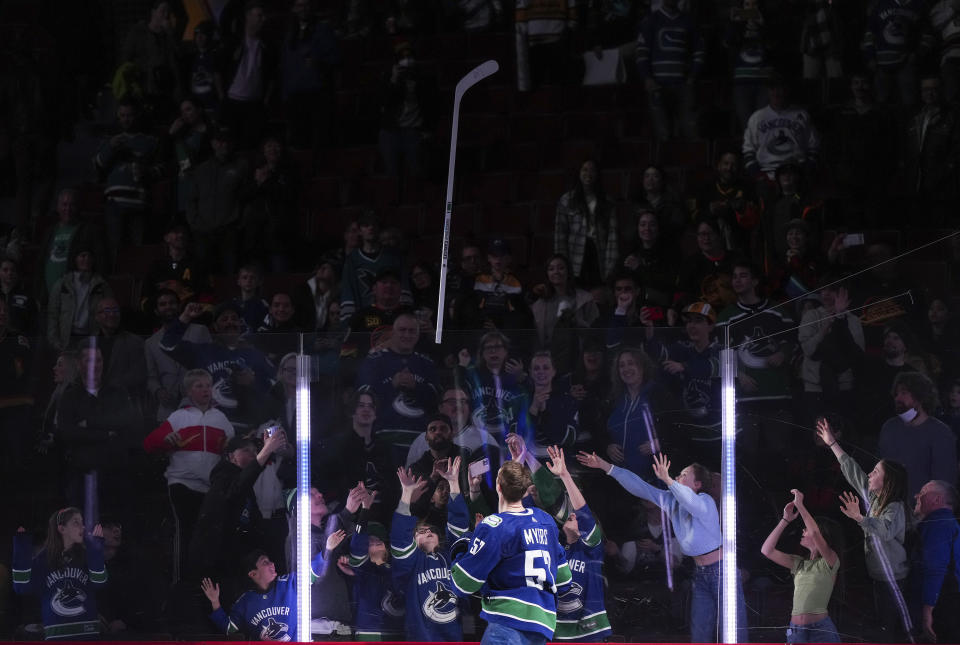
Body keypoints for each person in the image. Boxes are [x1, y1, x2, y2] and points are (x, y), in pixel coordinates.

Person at [577, 451, 746, 642]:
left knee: (733, 632)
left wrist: (668, 480)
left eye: (683, 475)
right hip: (701, 573)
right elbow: (640, 487)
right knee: (700, 633)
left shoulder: (705, 500)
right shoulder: (670, 499)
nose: (676, 476)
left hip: (722, 571)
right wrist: (606, 466)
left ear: (697, 485)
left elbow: (692, 503)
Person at [449, 457, 572, 645]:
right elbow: (564, 581)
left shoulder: (495, 526)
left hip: (507, 623)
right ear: (524, 490)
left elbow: (463, 583)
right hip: (542, 629)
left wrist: (462, 547)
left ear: (498, 487)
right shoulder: (545, 521)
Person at [816, 418, 911, 639]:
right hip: (878, 575)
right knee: (884, 623)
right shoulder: (872, 497)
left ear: (888, 482)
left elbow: (885, 530)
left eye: (876, 472)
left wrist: (859, 517)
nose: (870, 474)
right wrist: (832, 444)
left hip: (894, 578)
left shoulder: (895, 507)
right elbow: (853, 471)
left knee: (899, 626)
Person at [143, 369, 235, 584]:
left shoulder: (221, 419)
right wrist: (167, 439)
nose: (205, 390)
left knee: (204, 538)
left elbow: (232, 449)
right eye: (198, 386)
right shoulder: (179, 417)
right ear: (188, 391)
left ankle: (201, 585)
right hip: (182, 484)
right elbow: (149, 443)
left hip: (209, 489)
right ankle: (181, 585)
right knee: (185, 534)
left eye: (207, 385)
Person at [188, 430, 287, 583]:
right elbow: (237, 489)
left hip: (235, 559)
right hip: (213, 563)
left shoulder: (247, 486)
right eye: (246, 450)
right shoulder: (222, 478)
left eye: (255, 451)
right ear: (231, 456)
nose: (252, 454)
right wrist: (265, 451)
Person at [162, 301, 275, 434]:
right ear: (215, 326)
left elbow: (275, 387)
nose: (230, 323)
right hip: (209, 426)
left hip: (248, 428)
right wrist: (186, 316)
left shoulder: (255, 354)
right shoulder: (203, 352)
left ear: (241, 324)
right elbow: (166, 344)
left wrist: (253, 382)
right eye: (224, 319)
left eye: (234, 319)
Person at [390, 462, 469, 641]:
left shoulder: (449, 554)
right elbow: (400, 539)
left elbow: (459, 530)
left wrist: (454, 484)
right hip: (422, 638)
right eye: (420, 531)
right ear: (412, 540)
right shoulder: (410, 563)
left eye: (430, 529)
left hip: (455, 636)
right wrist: (407, 494)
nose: (427, 531)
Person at [643, 301, 722, 468]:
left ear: (711, 325)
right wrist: (650, 333)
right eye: (689, 321)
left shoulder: (720, 350)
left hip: (718, 433)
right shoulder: (682, 349)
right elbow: (659, 354)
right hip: (691, 434)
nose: (692, 326)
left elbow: (712, 367)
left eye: (698, 321)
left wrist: (684, 367)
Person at [544, 446, 611, 642]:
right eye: (569, 515)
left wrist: (565, 475)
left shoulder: (592, 549)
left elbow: (583, 513)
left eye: (577, 516)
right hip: (555, 631)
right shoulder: (553, 550)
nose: (573, 514)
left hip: (588, 631)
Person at [200, 542, 331, 641]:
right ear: (253, 574)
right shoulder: (246, 602)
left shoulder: (288, 583)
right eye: (265, 562)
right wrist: (214, 601)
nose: (272, 564)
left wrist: (327, 548)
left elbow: (312, 571)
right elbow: (228, 629)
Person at [761, 488, 842, 643]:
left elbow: (815, 533)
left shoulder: (830, 561)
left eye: (806, 529)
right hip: (796, 630)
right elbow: (766, 550)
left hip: (821, 630)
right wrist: (785, 520)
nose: (803, 531)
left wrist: (801, 505)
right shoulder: (799, 563)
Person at [356, 312, 439, 462]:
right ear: (392, 333)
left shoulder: (427, 363)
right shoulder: (374, 362)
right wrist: (391, 385)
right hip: (382, 437)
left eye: (412, 331)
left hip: (421, 440)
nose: (407, 335)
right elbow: (363, 400)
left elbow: (437, 401)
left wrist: (416, 386)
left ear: (418, 335)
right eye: (402, 330)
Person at [12, 509, 107, 641]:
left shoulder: (87, 555)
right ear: (62, 529)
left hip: (88, 634)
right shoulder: (42, 560)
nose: (83, 526)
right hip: (56, 635)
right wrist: (21, 550)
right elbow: (21, 588)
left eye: (82, 522)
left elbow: (100, 582)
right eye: (76, 523)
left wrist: (96, 551)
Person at [93, 100, 158, 268]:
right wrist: (110, 147)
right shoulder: (109, 140)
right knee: (114, 251)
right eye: (122, 115)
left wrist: (147, 172)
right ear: (117, 117)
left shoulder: (148, 141)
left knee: (138, 253)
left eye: (129, 115)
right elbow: (97, 166)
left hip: (139, 202)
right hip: (114, 203)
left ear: (136, 116)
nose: (126, 119)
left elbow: (161, 168)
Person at [878, 371, 958, 499]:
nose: (897, 398)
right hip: (887, 508)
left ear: (920, 396)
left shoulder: (941, 433)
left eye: (904, 393)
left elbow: (944, 483)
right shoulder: (889, 427)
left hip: (921, 511)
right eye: (896, 394)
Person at [184, 127, 250, 275]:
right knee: (203, 274)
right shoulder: (201, 169)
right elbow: (191, 199)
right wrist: (195, 223)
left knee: (230, 272)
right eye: (220, 141)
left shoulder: (241, 166)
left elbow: (247, 197)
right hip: (203, 231)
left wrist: (239, 223)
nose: (224, 145)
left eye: (227, 141)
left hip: (229, 230)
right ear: (213, 143)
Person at [635, 0, 704, 141]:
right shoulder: (650, 20)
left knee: (690, 131)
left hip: (683, 85)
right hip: (657, 86)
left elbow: (699, 51)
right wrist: (647, 78)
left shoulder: (689, 21)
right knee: (663, 133)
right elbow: (642, 52)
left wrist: (692, 77)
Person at [145, 289, 213, 421]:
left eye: (172, 303)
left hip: (199, 404)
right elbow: (151, 377)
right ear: (156, 310)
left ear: (179, 306)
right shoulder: (150, 342)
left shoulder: (200, 331)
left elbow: (211, 365)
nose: (168, 306)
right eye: (163, 304)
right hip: (167, 407)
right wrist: (158, 391)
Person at [219, 0, 276, 149]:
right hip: (233, 103)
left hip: (254, 105)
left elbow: (271, 77)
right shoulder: (233, 42)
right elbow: (218, 71)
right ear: (248, 17)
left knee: (251, 146)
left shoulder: (267, 46)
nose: (263, 19)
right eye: (259, 16)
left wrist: (266, 101)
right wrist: (222, 98)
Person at [553, 159, 618, 287]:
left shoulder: (607, 201)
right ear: (579, 173)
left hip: (597, 251)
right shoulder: (567, 200)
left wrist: (611, 264)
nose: (588, 173)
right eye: (585, 169)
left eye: (592, 170)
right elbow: (560, 233)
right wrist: (561, 263)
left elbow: (612, 236)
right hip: (575, 253)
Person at [910, 479, 960, 643]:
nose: (917, 495)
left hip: (941, 606)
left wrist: (927, 612)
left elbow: (935, 568)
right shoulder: (946, 523)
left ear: (937, 499)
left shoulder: (938, 523)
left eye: (923, 492)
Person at [531, 255, 599, 372]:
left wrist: (575, 321)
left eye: (561, 268)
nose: (556, 272)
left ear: (568, 271)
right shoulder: (539, 305)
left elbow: (595, 331)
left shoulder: (585, 299)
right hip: (549, 362)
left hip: (578, 361)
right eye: (551, 269)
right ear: (547, 274)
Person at [344, 510, 405, 640]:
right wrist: (365, 510)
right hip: (368, 632)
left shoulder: (398, 568)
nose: (375, 543)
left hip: (398, 632)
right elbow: (357, 551)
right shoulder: (361, 569)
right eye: (369, 541)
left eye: (379, 540)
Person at [862, 0, 933, 107]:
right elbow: (869, 33)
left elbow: (928, 34)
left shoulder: (918, 5)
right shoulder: (881, 5)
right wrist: (870, 57)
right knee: (882, 105)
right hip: (881, 64)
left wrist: (918, 54)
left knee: (909, 104)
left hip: (906, 65)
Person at [46, 248, 112, 352]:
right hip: (67, 339)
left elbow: (109, 310)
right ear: (75, 259)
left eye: (89, 256)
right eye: (82, 256)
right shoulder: (62, 284)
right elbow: (53, 313)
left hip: (91, 339)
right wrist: (54, 340)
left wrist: (104, 336)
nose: (86, 259)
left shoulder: (102, 285)